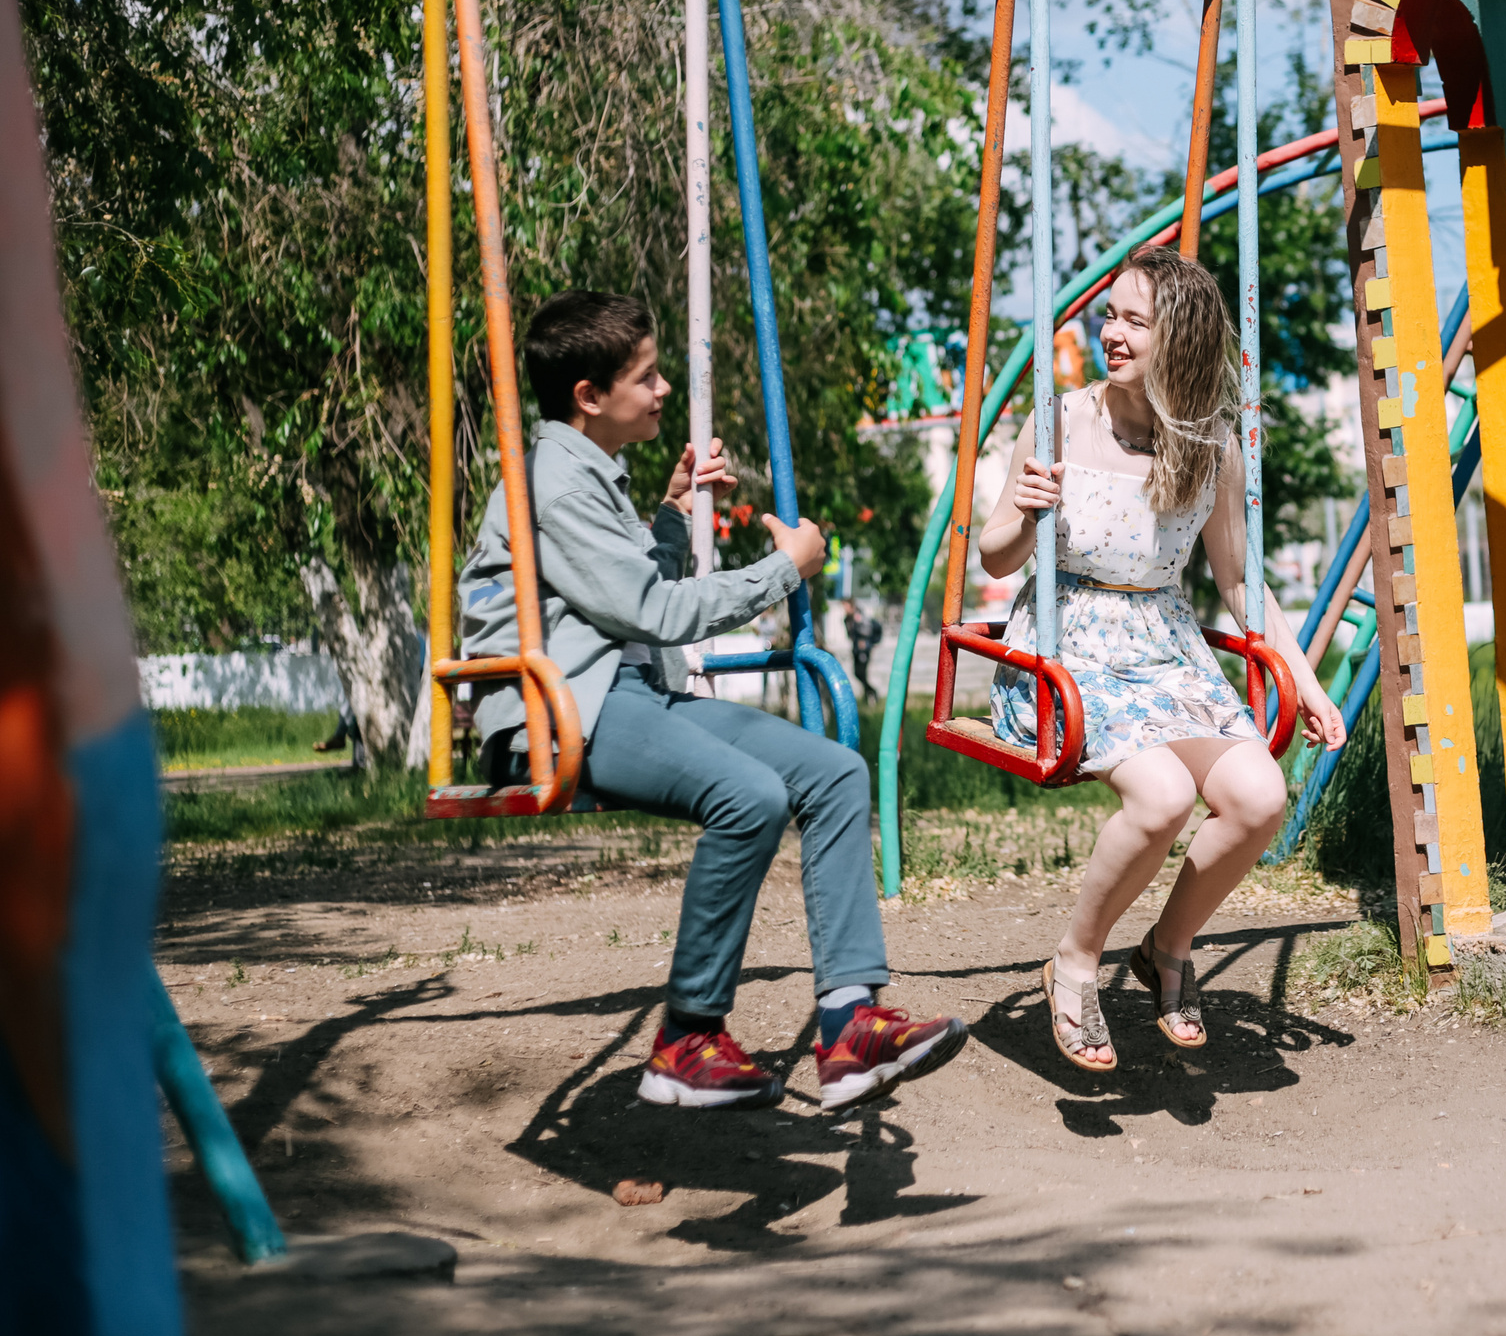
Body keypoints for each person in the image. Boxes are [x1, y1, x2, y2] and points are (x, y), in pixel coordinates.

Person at [459, 291, 964, 1110]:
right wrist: (784, 569)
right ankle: (688, 1038)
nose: (664, 389)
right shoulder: (552, 482)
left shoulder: (588, 474)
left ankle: (850, 1023)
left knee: (834, 772)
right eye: (646, 376)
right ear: (589, 395)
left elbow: (626, 590)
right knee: (751, 795)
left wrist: (670, 512)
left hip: (625, 693)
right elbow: (651, 611)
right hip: (560, 712)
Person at [979, 248, 1346, 1072]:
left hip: (1162, 648)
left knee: (1259, 794)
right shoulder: (1058, 420)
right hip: (1065, 650)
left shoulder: (1210, 446)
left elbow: (1240, 581)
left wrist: (1309, 683)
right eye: (1110, 315)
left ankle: (1167, 947)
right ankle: (1076, 961)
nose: (1110, 332)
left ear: (1178, 338)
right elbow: (994, 555)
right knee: (1164, 795)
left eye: (1134, 321)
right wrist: (1028, 515)